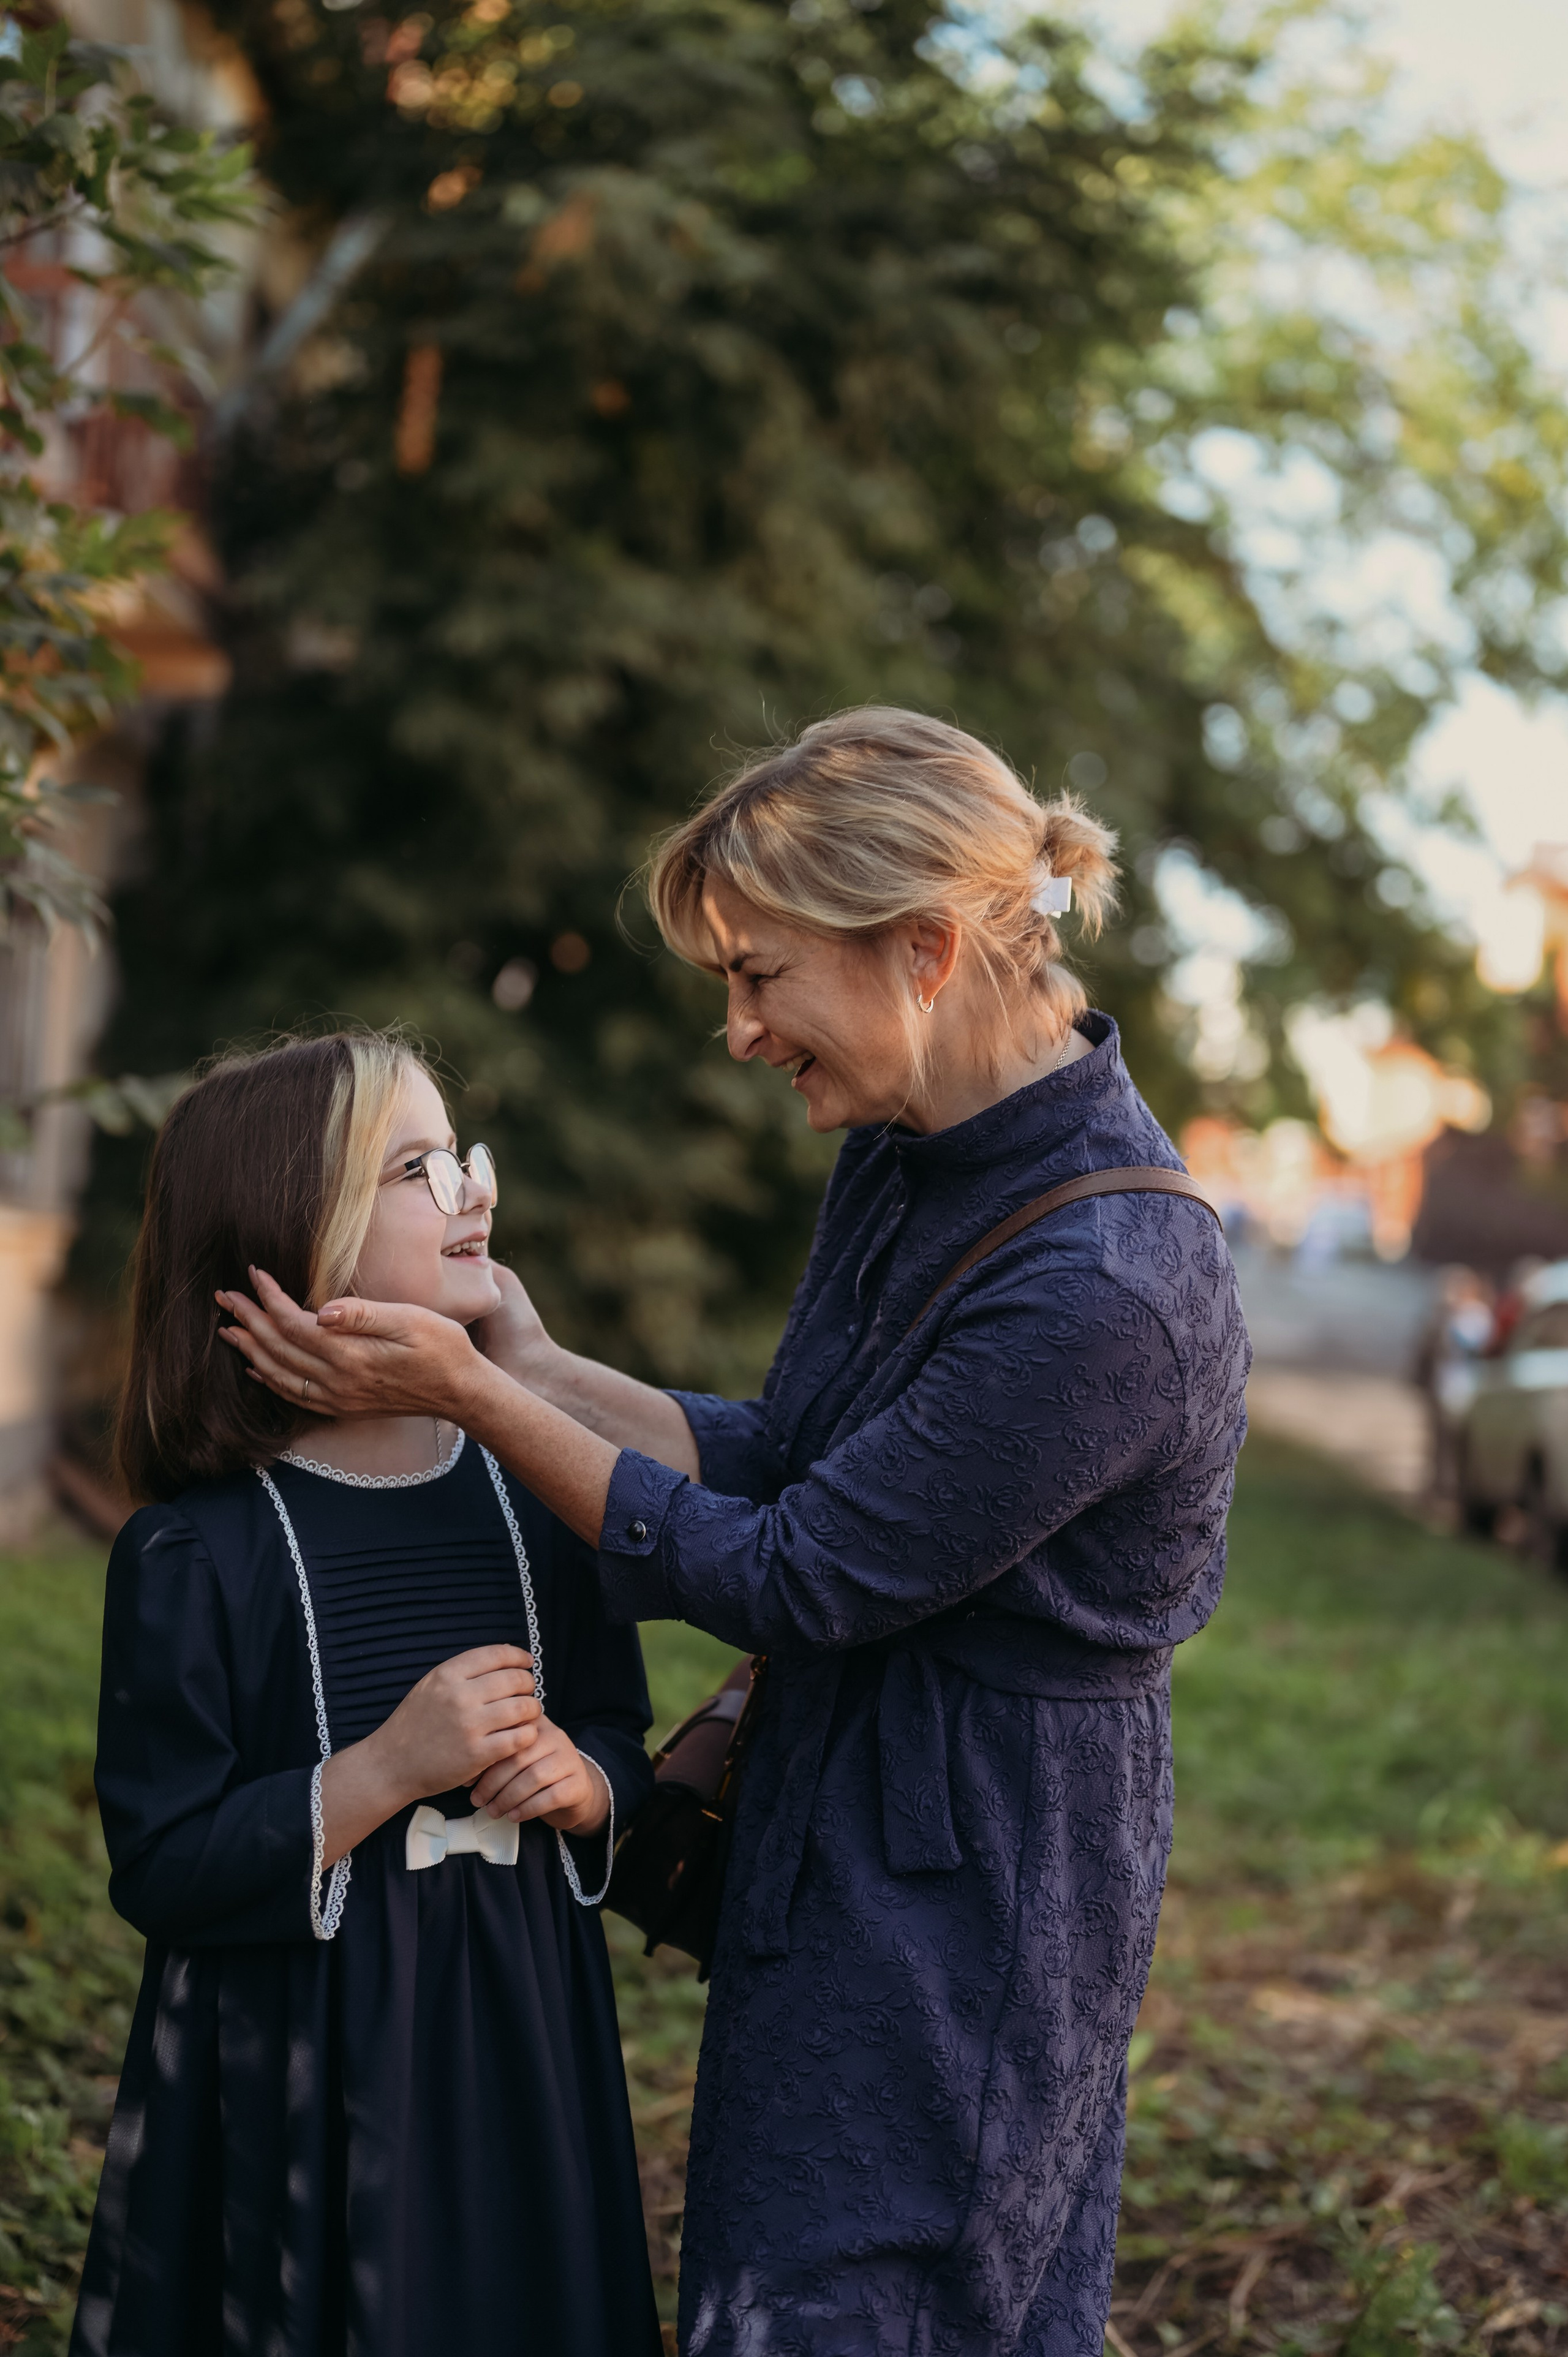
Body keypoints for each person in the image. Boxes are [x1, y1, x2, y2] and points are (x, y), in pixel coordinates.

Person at [221, 709, 1253, 2357]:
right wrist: (534, 1359)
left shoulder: (1111, 1291)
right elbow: (799, 1460)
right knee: (782, 2271)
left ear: (922, 950)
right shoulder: (914, 1155)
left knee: (879, 2297)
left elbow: (798, 1572)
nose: (738, 1030)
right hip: (840, 1816)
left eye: (760, 975)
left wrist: (478, 1402)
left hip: (979, 1873)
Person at [72, 1031, 660, 2357]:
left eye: (461, 1154)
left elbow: (616, 1734)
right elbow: (163, 1863)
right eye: (414, 1166)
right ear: (291, 1234)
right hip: (302, 2070)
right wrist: (383, 1771)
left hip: (522, 2032)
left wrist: (586, 1782)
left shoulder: (540, 1496)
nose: (470, 1189)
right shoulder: (197, 1552)